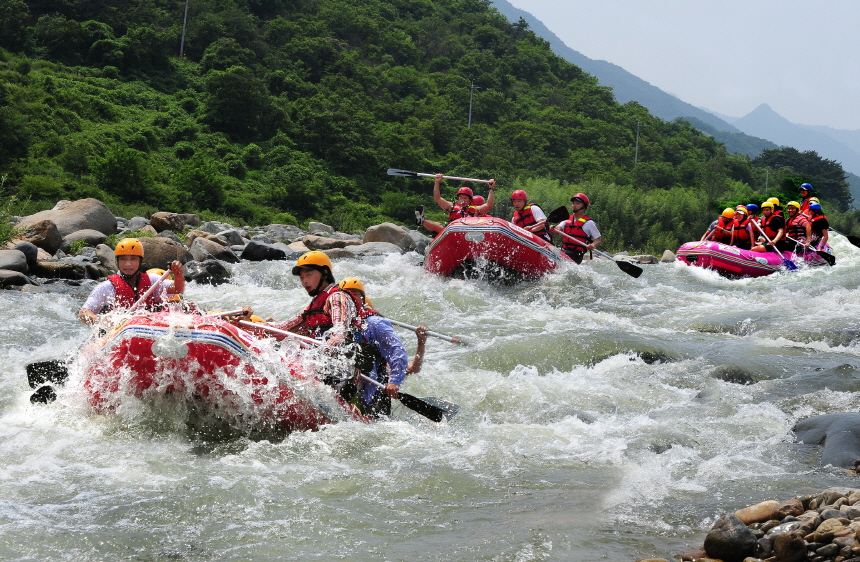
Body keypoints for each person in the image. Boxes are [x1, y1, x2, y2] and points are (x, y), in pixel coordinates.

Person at [78, 238, 185, 325]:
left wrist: (178, 274)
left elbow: (177, 289)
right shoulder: (106, 287)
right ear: (118, 261)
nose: (128, 264)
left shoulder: (152, 280)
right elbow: (83, 313)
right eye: (123, 259)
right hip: (117, 332)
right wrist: (101, 321)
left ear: (140, 261)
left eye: (133, 259)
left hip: (147, 329)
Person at [416, 173, 495, 234]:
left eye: (465, 198)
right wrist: (437, 182)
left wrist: (491, 188)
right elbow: (437, 198)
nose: (462, 200)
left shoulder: (476, 209)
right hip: (452, 231)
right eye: (460, 198)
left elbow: (489, 205)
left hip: (469, 233)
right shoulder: (451, 206)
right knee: (440, 227)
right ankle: (422, 220)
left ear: (470, 200)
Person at [557, 193, 601, 263]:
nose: (574, 205)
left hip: (577, 255)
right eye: (573, 203)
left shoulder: (589, 223)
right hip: (565, 251)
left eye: (577, 203)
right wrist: (554, 228)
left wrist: (592, 245)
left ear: (584, 206)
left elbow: (598, 240)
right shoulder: (567, 219)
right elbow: (559, 227)